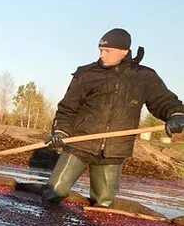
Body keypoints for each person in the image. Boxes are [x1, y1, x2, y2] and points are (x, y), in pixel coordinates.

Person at [43, 28, 184, 207]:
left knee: (104, 202)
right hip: (80, 143)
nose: (102, 55)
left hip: (114, 149)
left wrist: (176, 114)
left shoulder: (144, 77)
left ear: (124, 51)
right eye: (101, 50)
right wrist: (60, 132)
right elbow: (67, 108)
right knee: (55, 190)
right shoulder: (87, 74)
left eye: (107, 51)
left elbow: (163, 100)